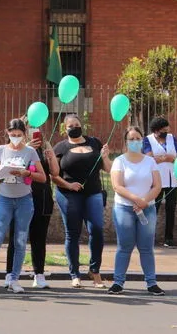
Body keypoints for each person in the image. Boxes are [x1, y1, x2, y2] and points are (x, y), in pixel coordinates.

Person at [0, 119, 46, 294]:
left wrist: (26, 172)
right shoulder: (0, 150)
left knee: (20, 241)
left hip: (24, 200)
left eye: (19, 135)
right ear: (7, 133)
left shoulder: (30, 152)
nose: (16, 138)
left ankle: (14, 279)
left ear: (24, 134)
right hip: (5, 199)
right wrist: (3, 172)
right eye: (12, 135)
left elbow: (42, 177)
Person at [50, 113, 112, 289]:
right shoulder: (60, 147)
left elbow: (108, 169)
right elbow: (53, 176)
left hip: (93, 193)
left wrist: (106, 156)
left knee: (97, 230)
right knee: (73, 233)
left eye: (77, 124)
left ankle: (95, 271)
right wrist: (68, 186)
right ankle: (74, 274)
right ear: (65, 128)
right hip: (69, 194)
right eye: (70, 126)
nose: (74, 127)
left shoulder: (95, 143)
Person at [108, 126, 164, 296]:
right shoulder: (120, 161)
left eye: (137, 138)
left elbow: (157, 186)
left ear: (142, 140)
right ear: (126, 142)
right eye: (131, 139)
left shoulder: (150, 161)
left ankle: (151, 282)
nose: (134, 142)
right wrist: (136, 199)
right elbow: (117, 186)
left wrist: (144, 201)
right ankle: (118, 282)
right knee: (124, 246)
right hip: (124, 208)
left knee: (146, 247)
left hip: (147, 208)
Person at [5, 122, 54, 289]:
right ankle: (10, 273)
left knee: (39, 237)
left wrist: (51, 156)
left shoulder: (46, 146)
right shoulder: (16, 148)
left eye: (37, 127)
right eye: (31, 127)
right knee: (16, 236)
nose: (34, 131)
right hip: (19, 195)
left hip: (42, 196)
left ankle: (38, 273)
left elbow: (54, 172)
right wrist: (26, 148)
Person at [142, 116, 177, 247]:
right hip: (156, 179)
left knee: (171, 209)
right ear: (156, 131)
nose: (166, 131)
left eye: (167, 129)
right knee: (153, 208)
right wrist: (167, 157)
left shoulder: (172, 138)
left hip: (172, 179)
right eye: (163, 130)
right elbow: (149, 158)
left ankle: (169, 238)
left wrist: (163, 158)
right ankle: (149, 237)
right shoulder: (148, 140)